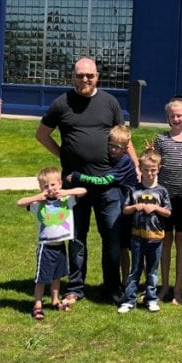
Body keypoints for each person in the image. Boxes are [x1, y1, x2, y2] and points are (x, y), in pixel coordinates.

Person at [35, 57, 138, 305]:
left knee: (111, 239)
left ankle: (112, 287)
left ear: (97, 76)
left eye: (89, 76)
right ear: (73, 77)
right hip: (73, 187)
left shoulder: (109, 102)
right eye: (80, 75)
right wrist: (64, 154)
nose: (85, 80)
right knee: (77, 239)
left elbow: (124, 138)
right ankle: (76, 287)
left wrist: (135, 165)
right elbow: (42, 134)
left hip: (108, 186)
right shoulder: (61, 104)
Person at [66, 124, 139, 293]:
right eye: (111, 145)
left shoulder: (124, 162)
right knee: (121, 247)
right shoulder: (115, 158)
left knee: (126, 246)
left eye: (118, 147)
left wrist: (79, 176)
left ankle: (130, 284)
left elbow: (104, 181)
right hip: (121, 206)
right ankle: (124, 283)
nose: (113, 150)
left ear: (126, 147)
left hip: (126, 209)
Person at [16, 167, 88, 320]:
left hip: (60, 246)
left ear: (60, 184)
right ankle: (38, 305)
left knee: (57, 277)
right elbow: (20, 202)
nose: (50, 189)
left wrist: (66, 192)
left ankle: (55, 301)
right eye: (46, 186)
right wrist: (38, 196)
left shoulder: (66, 201)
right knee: (42, 278)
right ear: (41, 188)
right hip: (46, 247)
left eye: (53, 185)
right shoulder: (38, 204)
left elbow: (83, 191)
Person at [118, 148, 172, 314]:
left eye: (153, 170)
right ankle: (129, 300)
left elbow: (168, 212)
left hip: (156, 237)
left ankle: (151, 299)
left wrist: (156, 208)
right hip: (137, 236)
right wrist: (136, 206)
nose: (149, 173)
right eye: (146, 170)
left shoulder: (162, 191)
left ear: (158, 169)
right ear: (140, 169)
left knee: (152, 271)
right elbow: (125, 209)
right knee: (135, 270)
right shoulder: (134, 189)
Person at [153, 97, 182, 305]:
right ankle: (165, 286)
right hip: (164, 201)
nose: (176, 118)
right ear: (168, 118)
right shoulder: (161, 140)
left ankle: (178, 288)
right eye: (172, 116)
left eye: (180, 115)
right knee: (165, 242)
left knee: (181, 241)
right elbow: (154, 171)